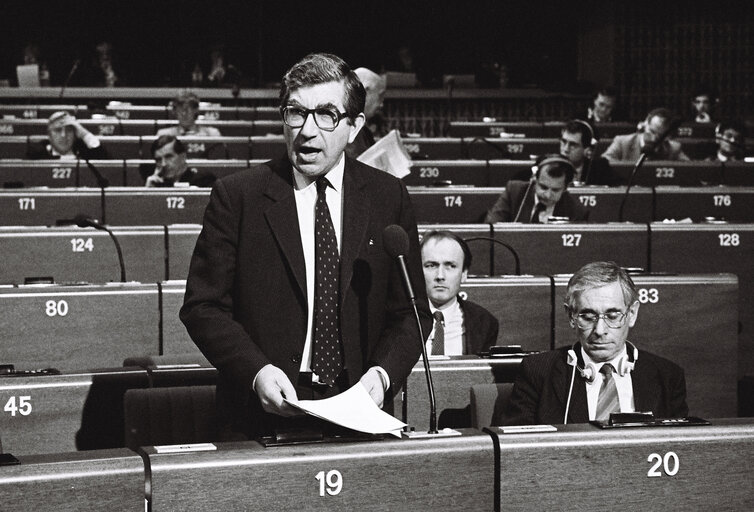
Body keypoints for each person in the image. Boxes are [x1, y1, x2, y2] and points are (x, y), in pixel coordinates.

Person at [180, 53, 432, 440]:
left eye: (326, 115)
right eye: (296, 112)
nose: (307, 131)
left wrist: (382, 377)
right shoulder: (238, 197)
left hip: (361, 410)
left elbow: (411, 313)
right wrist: (255, 371)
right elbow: (203, 306)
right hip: (261, 413)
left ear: (353, 126)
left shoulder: (388, 196)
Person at [500, 261, 689, 425]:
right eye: (588, 317)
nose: (599, 330)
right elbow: (516, 450)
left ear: (632, 314)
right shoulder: (538, 372)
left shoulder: (667, 376)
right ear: (571, 316)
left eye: (612, 316)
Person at [421, 230, 499, 355]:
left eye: (450, 266)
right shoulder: (397, 320)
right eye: (431, 265)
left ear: (464, 274)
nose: (440, 276)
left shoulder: (485, 322)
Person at [484, 154, 589, 223]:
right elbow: (491, 228)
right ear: (534, 179)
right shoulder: (514, 192)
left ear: (565, 188)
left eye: (555, 190)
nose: (547, 195)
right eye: (543, 187)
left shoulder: (577, 212)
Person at [601, 108, 689, 162]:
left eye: (660, 136)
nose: (654, 139)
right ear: (645, 124)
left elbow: (689, 170)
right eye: (652, 131)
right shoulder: (622, 142)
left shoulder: (673, 148)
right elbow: (604, 164)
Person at [558, 120, 620, 185]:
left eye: (573, 145)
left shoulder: (600, 169)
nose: (565, 149)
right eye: (563, 142)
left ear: (587, 150)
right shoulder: (549, 165)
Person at [26, 111, 108, 160]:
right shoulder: (37, 155)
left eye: (69, 130)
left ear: (75, 134)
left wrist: (83, 133)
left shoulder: (86, 153)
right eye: (57, 130)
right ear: (49, 135)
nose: (63, 135)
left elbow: (108, 165)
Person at [142, 135, 216, 187]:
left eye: (169, 157)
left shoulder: (204, 180)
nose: (163, 164)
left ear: (183, 157)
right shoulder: (156, 183)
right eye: (158, 160)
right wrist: (148, 193)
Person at [345, 67, 386, 158]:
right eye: (380, 96)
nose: (381, 104)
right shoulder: (348, 125)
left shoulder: (356, 124)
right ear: (365, 92)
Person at [156, 90, 222, 137]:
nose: (184, 114)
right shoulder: (164, 135)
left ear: (196, 110)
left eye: (187, 110)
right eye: (180, 110)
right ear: (174, 112)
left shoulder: (212, 134)